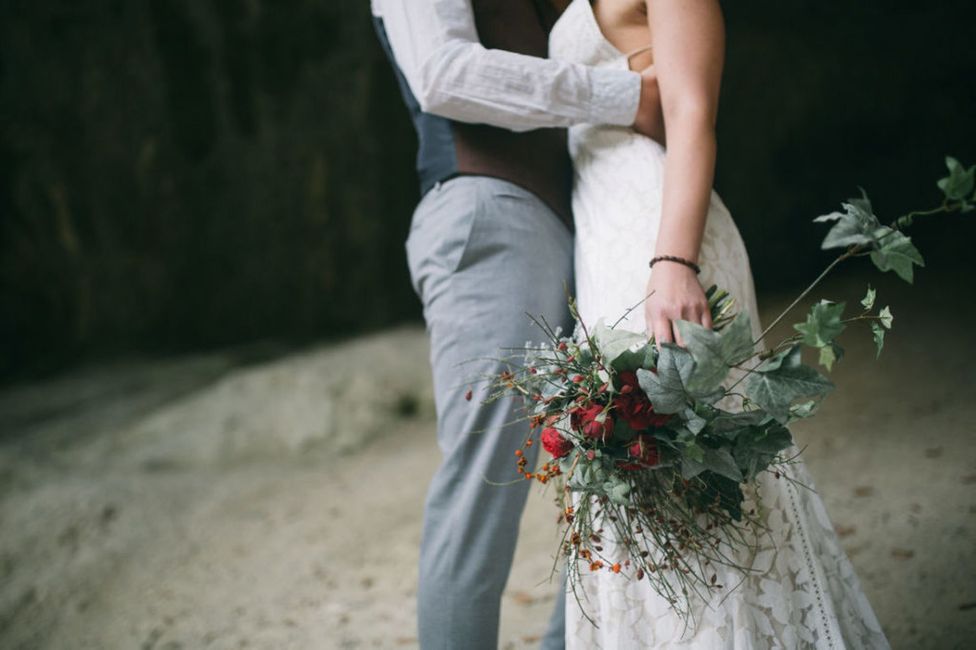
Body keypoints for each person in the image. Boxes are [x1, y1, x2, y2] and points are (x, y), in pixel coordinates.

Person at [548, 0, 891, 647]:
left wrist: (674, 261)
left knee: (701, 479)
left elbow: (691, 111)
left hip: (658, 242)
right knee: (642, 491)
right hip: (606, 240)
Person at [370, 1, 666, 648]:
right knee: (481, 490)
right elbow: (445, 73)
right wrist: (623, 95)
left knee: (605, 472)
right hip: (490, 219)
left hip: (575, 229)